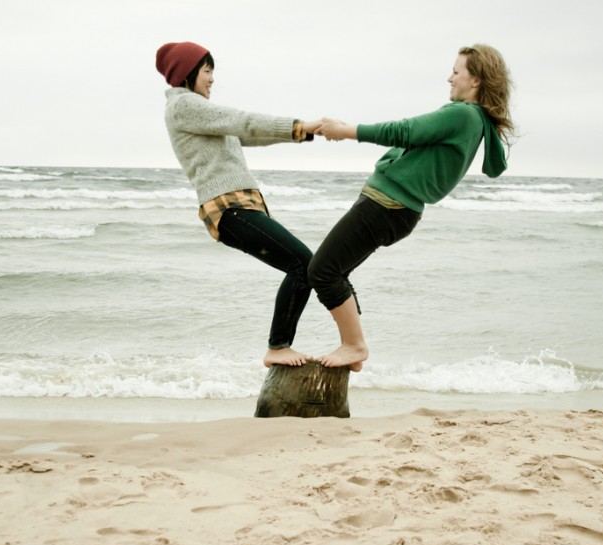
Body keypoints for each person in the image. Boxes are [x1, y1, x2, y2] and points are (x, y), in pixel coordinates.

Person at [310, 44, 515, 371]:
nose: (450, 78)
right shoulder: (471, 118)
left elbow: (404, 131)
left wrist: (345, 131)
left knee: (322, 271)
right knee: (333, 271)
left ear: (475, 80)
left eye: (456, 72)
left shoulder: (463, 114)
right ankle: (353, 348)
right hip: (392, 207)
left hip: (387, 206)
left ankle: (354, 346)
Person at [155, 41, 322, 367]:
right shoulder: (183, 105)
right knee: (303, 264)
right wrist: (298, 125)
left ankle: (280, 346)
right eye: (207, 71)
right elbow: (242, 121)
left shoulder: (197, 111)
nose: (212, 78)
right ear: (187, 72)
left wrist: (302, 133)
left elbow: (247, 134)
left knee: (303, 266)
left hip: (239, 206)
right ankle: (278, 347)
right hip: (229, 208)